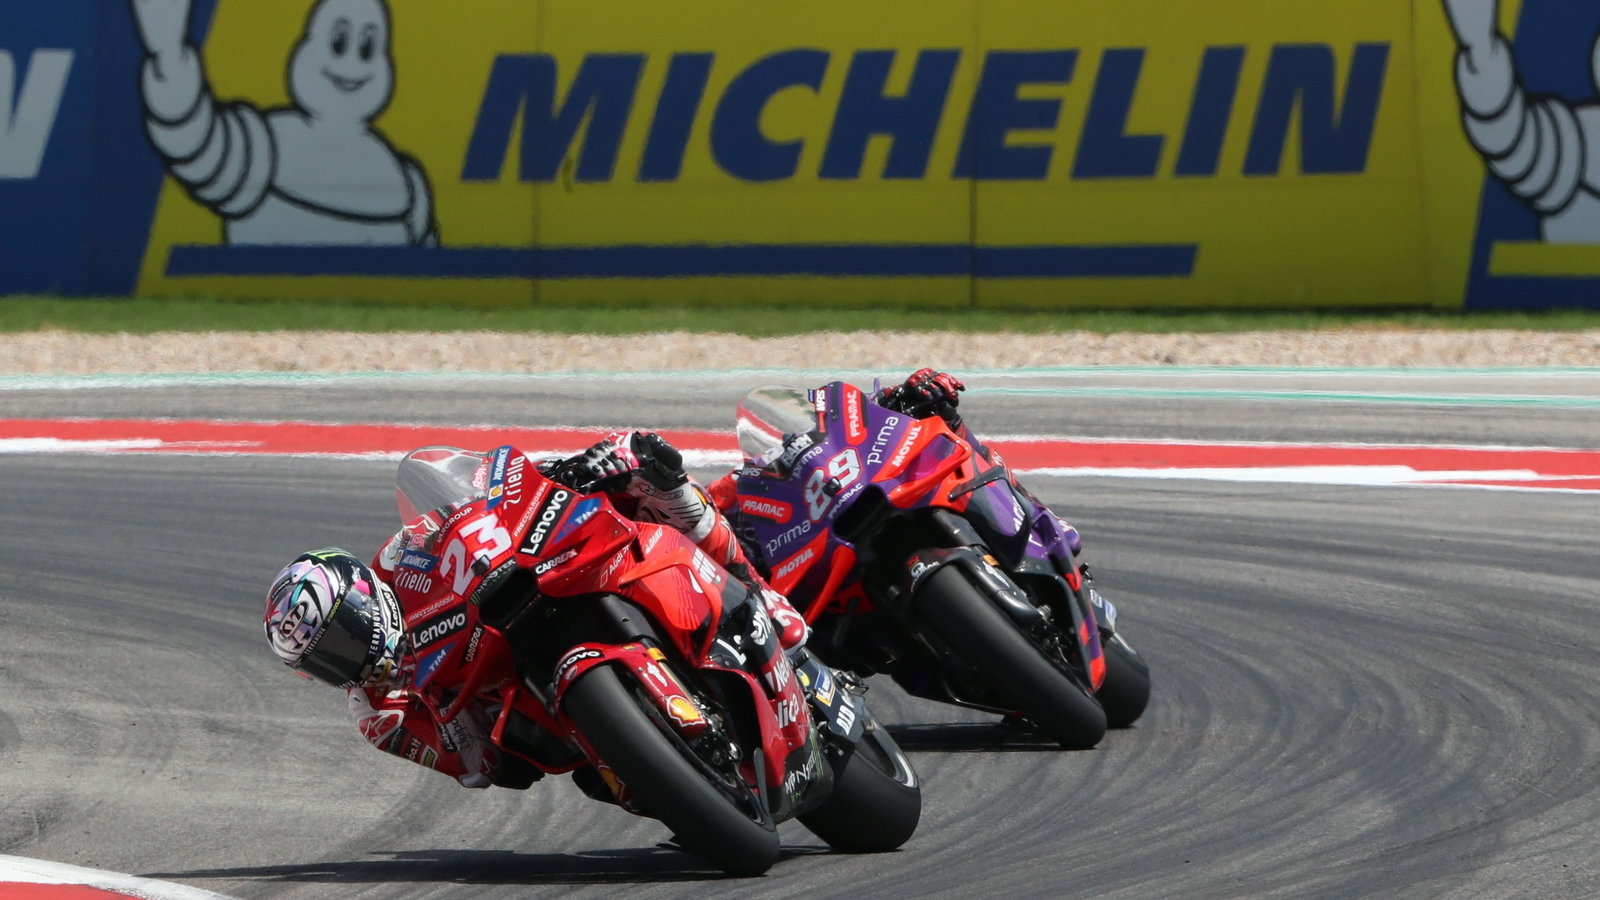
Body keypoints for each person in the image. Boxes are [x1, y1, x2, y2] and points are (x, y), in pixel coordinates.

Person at [262, 433, 810, 790]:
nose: (345, 661)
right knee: (591, 781)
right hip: (530, 711)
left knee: (648, 474)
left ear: (363, 597)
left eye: (342, 638)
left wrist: (567, 472)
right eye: (324, 663)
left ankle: (757, 591)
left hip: (527, 596)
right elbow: (475, 770)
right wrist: (450, 721)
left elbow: (477, 507)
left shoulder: (401, 560)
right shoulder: (377, 716)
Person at [707, 368, 1083, 567]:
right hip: (824, 560)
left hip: (879, 491)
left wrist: (912, 390)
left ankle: (1038, 517)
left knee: (942, 424)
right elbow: (706, 511)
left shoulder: (831, 420)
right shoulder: (742, 488)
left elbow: (867, 409)